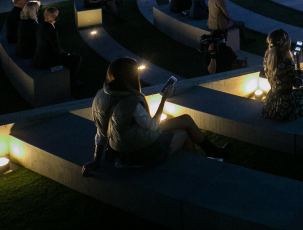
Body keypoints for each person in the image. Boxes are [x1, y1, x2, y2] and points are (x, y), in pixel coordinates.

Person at [82, 57, 227, 175]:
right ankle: (198, 171)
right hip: (137, 153)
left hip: (124, 146)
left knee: (185, 119)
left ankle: (212, 151)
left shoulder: (101, 96)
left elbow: (100, 132)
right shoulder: (131, 102)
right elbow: (152, 126)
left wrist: (96, 160)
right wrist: (164, 98)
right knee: (184, 135)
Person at [260, 29, 303, 121]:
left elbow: (281, 72)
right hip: (286, 104)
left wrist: (291, 58)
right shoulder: (287, 63)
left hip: (272, 101)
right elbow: (297, 83)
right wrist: (298, 62)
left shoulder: (268, 58)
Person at [32, 7, 83, 85]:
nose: (58, 16)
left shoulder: (42, 26)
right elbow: (56, 49)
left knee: (71, 54)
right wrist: (66, 54)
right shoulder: (50, 30)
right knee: (77, 58)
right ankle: (72, 81)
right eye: (57, 15)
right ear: (50, 17)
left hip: (41, 57)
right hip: (45, 60)